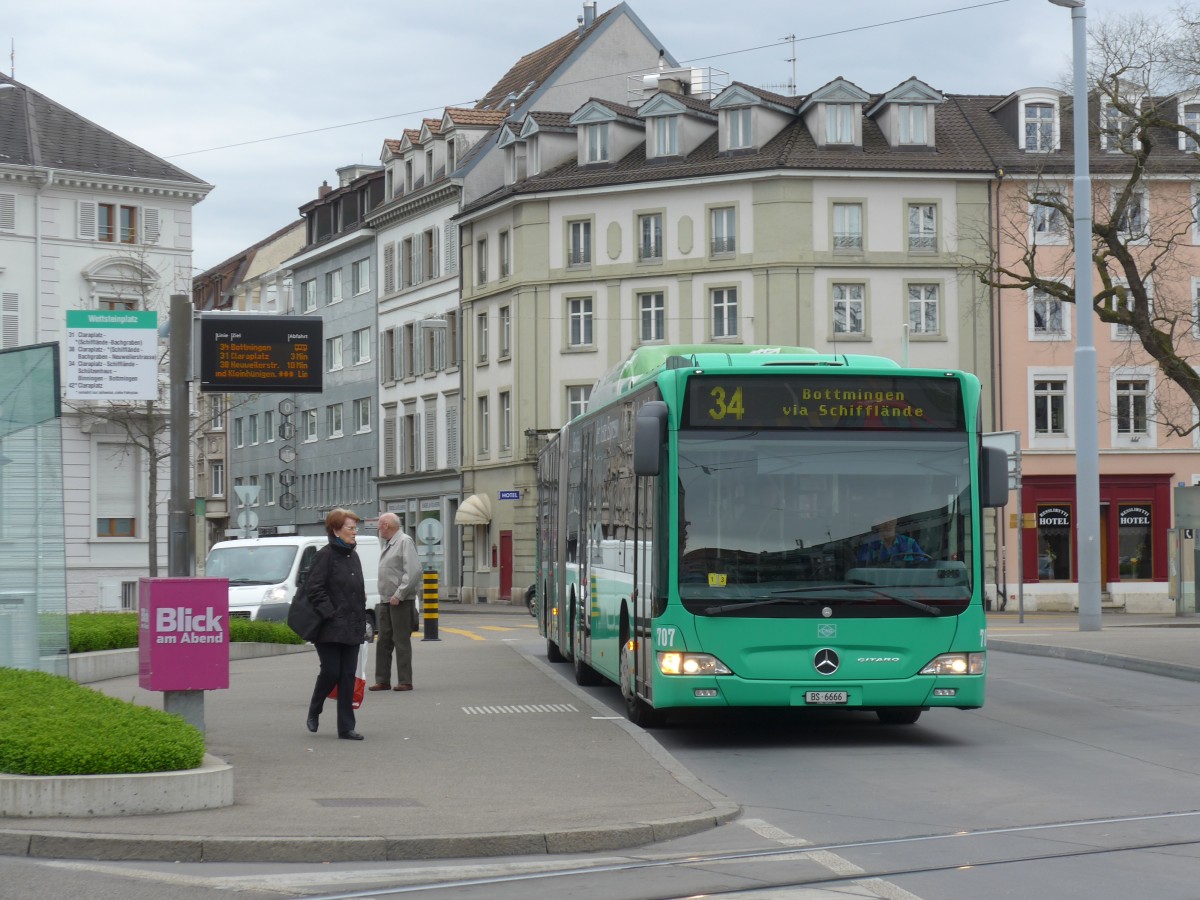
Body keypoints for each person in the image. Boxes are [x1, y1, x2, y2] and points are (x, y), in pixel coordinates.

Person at [305, 508, 368, 741]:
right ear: (335, 530)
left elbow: (358, 593)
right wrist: (330, 613)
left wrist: (363, 623)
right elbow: (314, 588)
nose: (354, 533)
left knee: (348, 676)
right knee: (331, 671)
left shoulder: (354, 556)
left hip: (352, 627)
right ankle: (315, 707)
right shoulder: (325, 555)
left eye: (355, 528)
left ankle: (346, 727)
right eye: (350, 528)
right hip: (329, 627)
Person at [370, 512, 421, 693]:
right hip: (386, 599)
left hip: (400, 600)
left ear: (387, 526)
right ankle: (382, 680)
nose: (378, 528)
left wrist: (400, 593)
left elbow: (414, 571)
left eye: (380, 525)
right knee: (383, 640)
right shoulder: (388, 543)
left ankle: (405, 681)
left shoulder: (404, 541)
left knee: (401, 640)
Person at [856, 516, 926, 564]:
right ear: (876, 523)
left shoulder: (910, 543)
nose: (888, 522)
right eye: (883, 518)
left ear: (896, 520)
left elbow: (924, 566)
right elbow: (863, 572)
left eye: (891, 517)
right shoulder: (868, 545)